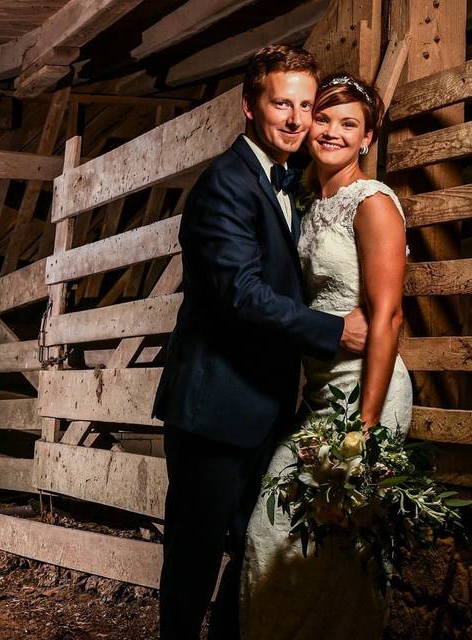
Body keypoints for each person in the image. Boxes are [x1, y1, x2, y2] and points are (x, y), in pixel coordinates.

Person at [149, 45, 370, 640]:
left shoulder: (291, 181)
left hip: (268, 406)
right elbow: (242, 295)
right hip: (214, 409)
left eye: (306, 105)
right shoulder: (224, 184)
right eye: (282, 104)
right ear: (251, 107)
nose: (297, 119)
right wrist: (332, 331)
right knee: (195, 556)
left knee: (259, 547)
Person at [240, 73, 411, 640]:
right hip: (318, 393)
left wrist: (364, 428)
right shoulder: (308, 204)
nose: (331, 131)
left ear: (367, 139)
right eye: (325, 118)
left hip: (366, 393)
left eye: (349, 124)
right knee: (274, 531)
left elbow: (386, 317)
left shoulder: (373, 204)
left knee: (345, 550)